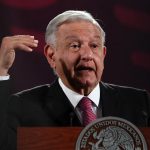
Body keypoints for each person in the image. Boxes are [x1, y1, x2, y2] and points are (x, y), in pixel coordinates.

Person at [0, 10, 150, 150]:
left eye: (94, 45)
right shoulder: (23, 106)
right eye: (75, 46)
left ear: (103, 54)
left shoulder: (140, 103)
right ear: (52, 55)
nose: (87, 55)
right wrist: (1, 70)